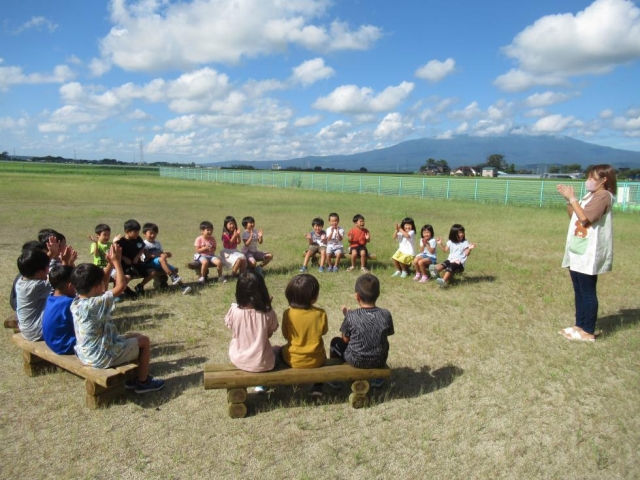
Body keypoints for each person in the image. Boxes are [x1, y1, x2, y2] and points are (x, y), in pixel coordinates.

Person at [70, 244, 165, 394]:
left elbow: (102, 283)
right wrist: (117, 263)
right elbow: (120, 286)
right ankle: (143, 382)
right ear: (96, 286)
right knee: (144, 341)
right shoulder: (96, 303)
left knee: (135, 336)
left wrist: (109, 263)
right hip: (101, 356)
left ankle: (133, 377)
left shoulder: (78, 301)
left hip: (87, 352)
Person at [556, 164, 617, 342]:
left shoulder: (604, 196)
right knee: (578, 289)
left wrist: (573, 198)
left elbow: (585, 219)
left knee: (587, 290)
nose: (588, 181)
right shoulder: (591, 195)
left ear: (604, 180)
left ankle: (588, 331)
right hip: (578, 246)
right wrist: (569, 200)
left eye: (592, 177)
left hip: (589, 250)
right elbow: (573, 215)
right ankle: (579, 325)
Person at [329, 273, 394, 389]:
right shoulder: (386, 314)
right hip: (379, 360)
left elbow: (345, 339)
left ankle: (335, 379)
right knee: (383, 341)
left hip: (356, 360)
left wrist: (347, 317)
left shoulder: (352, 316)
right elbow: (387, 333)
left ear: (357, 296)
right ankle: (377, 378)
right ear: (378, 294)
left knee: (335, 342)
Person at [225, 271, 279, 393]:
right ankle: (262, 384)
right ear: (263, 291)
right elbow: (269, 334)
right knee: (277, 350)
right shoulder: (268, 313)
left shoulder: (234, 310)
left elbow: (232, 327)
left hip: (238, 358)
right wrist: (267, 306)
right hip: (262, 362)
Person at [16, 241, 75, 341]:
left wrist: (51, 253)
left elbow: (41, 266)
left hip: (27, 328)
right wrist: (66, 261)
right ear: (39, 272)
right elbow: (61, 283)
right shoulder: (37, 286)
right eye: (47, 267)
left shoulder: (22, 280)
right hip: (37, 331)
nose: (49, 270)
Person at [281, 274, 328, 398]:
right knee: (323, 354)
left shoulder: (288, 313)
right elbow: (324, 331)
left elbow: (286, 335)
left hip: (293, 360)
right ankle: (318, 386)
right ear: (313, 298)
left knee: (278, 352)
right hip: (317, 359)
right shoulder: (320, 313)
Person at [142, 222, 191, 294]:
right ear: (144, 233)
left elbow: (161, 253)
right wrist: (160, 256)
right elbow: (148, 256)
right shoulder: (144, 244)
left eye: (155, 233)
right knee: (162, 260)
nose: (153, 235)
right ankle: (172, 277)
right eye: (151, 233)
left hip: (159, 262)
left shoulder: (157, 243)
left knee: (173, 270)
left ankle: (182, 286)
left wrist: (165, 254)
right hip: (149, 264)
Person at [42, 265, 77, 355]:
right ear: (70, 286)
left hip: (52, 342)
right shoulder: (69, 302)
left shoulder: (51, 297)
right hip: (64, 345)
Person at [115, 219, 153, 298]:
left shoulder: (138, 239)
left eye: (138, 232)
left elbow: (142, 248)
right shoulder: (121, 241)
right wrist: (124, 258)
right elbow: (115, 253)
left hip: (137, 264)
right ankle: (120, 291)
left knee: (153, 272)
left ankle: (140, 286)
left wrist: (137, 256)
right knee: (127, 277)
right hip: (125, 266)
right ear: (127, 231)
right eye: (135, 232)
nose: (137, 234)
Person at [429, 224, 476, 288]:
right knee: (445, 263)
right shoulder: (450, 242)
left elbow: (466, 254)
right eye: (459, 233)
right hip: (450, 260)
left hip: (459, 263)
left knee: (450, 267)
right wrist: (440, 243)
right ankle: (435, 271)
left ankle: (443, 281)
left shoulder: (465, 242)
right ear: (454, 234)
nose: (461, 234)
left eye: (462, 232)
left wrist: (469, 249)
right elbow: (445, 250)